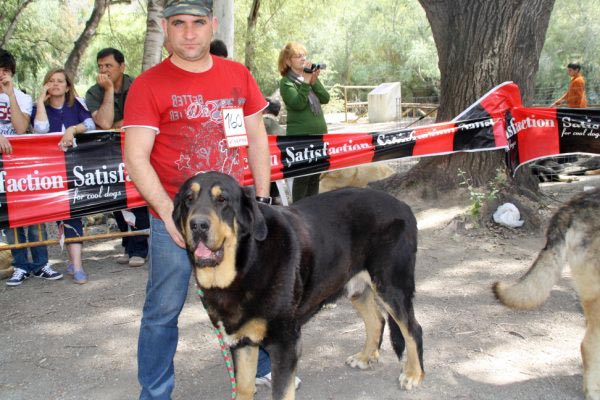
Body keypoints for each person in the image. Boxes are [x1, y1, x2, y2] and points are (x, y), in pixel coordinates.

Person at [122, 1, 271, 398]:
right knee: (162, 312)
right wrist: (168, 216)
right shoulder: (148, 85)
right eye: (179, 24)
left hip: (231, 219)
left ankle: (262, 370)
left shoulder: (237, 76)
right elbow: (136, 157)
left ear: (212, 26)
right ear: (164, 28)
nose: (189, 33)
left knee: (249, 297)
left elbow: (256, 139)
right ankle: (154, 393)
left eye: (198, 23)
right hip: (176, 219)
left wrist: (262, 198)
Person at [0, 48, 62, 286]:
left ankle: (41, 263)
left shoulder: (22, 97)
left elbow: (19, 127)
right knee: (10, 218)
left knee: (34, 214)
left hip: (20, 164)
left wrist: (10, 95)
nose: (1, 74)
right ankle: (19, 266)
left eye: (5, 70)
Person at [85, 47, 149, 268]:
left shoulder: (140, 85)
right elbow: (104, 123)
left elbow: (142, 116)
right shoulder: (95, 92)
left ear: (122, 66)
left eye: (109, 66)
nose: (104, 70)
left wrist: (118, 124)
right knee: (117, 199)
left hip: (140, 150)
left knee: (138, 198)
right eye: (100, 66)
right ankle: (128, 245)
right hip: (111, 154)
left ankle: (140, 248)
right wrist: (109, 91)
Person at [32, 68, 96, 284]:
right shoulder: (38, 108)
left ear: (68, 86)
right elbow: (40, 130)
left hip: (75, 168)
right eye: (51, 81)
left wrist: (72, 129)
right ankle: (73, 260)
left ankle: (77, 266)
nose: (56, 84)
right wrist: (41, 101)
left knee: (73, 212)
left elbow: (90, 124)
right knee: (62, 214)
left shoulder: (76, 105)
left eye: (60, 81)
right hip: (50, 171)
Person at [278, 42, 330, 202]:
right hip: (300, 139)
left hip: (319, 136)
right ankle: (298, 211)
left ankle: (313, 208)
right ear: (288, 61)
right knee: (302, 177)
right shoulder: (286, 82)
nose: (303, 59)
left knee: (315, 176)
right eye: (298, 56)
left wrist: (314, 80)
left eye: (304, 56)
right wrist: (306, 82)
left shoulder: (307, 79)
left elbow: (325, 98)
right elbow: (297, 104)